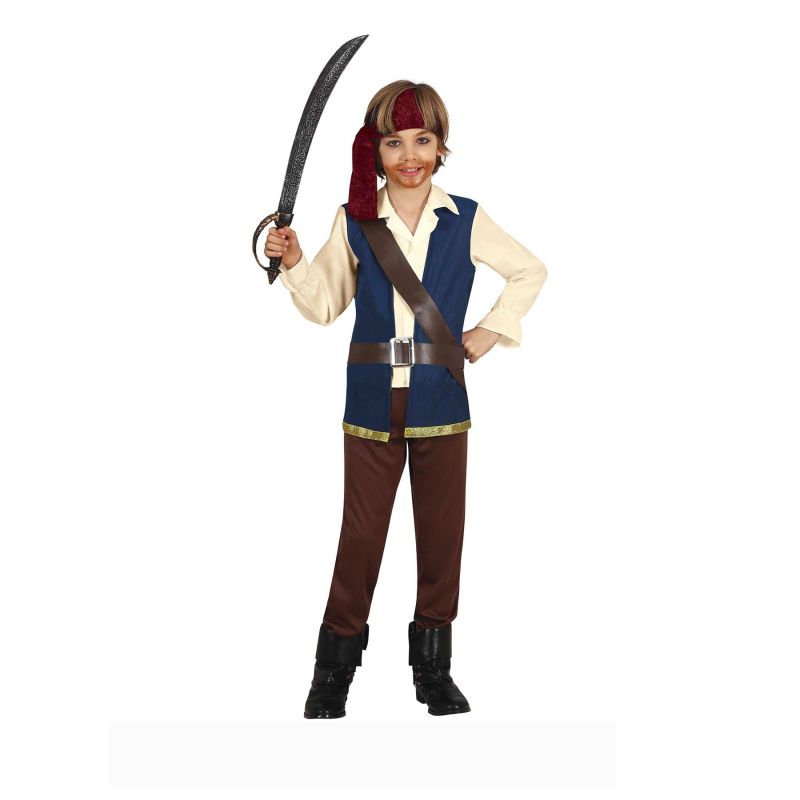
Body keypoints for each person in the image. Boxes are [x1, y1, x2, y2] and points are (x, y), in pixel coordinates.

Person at [264, 80, 548, 718]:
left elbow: (530, 269)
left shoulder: (465, 218)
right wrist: (295, 261)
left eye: (423, 140)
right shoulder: (355, 219)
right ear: (376, 150)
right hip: (370, 399)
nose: (410, 155)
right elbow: (324, 305)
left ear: (442, 147)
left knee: (442, 535)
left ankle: (433, 670)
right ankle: (333, 670)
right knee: (361, 535)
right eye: (394, 142)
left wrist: (491, 330)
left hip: (440, 399)